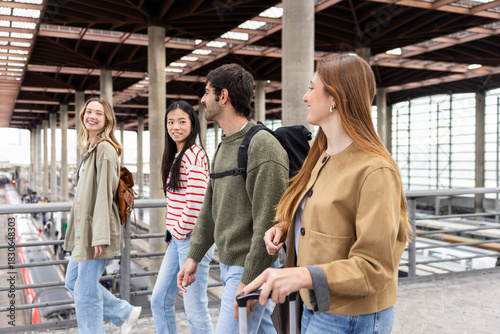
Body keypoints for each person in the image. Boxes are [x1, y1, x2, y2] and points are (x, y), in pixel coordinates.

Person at [242, 52, 412, 333]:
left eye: (311, 87)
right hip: (318, 305)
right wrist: (288, 226)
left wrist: (302, 275)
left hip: (350, 314)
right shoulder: (323, 156)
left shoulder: (375, 171)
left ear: (334, 97)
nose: (305, 97)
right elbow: (327, 213)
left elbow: (375, 268)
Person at [177, 63, 289, 334]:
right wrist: (194, 256)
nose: (202, 100)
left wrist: (248, 281)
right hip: (228, 264)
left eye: (206, 92)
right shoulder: (224, 144)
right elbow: (210, 208)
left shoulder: (263, 146)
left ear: (223, 96)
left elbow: (268, 220)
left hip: (251, 266)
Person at [63, 97, 141, 334]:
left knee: (86, 294)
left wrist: (100, 235)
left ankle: (116, 317)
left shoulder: (105, 149)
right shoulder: (91, 148)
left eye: (98, 113)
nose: (92, 116)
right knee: (73, 283)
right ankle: (123, 312)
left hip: (95, 232)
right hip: (85, 230)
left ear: (107, 119)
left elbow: (104, 197)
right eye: (89, 112)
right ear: (83, 115)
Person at [151, 100, 215, 334]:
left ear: (192, 125)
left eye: (181, 121)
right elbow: (176, 203)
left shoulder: (194, 155)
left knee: (195, 310)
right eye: (170, 122)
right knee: (159, 299)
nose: (175, 126)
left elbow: (195, 206)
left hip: (192, 241)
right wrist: (172, 231)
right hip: (179, 239)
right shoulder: (178, 155)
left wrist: (177, 231)